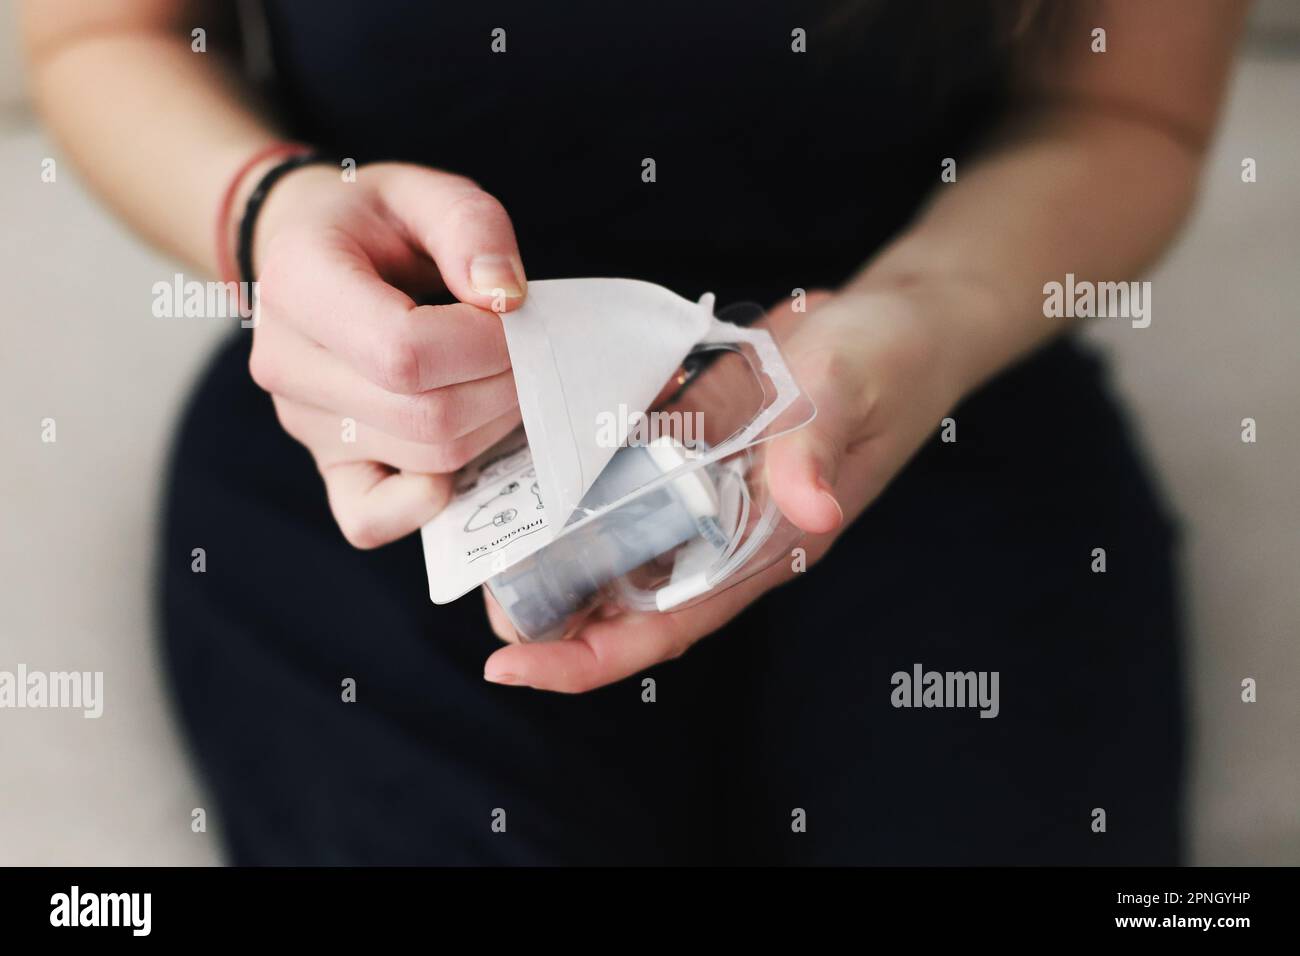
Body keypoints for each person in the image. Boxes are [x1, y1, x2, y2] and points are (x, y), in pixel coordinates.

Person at [20, 0, 1249, 864]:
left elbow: (1126, 106)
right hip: (391, 414)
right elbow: (98, 30)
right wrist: (270, 213)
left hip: (927, 378)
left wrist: (917, 323)